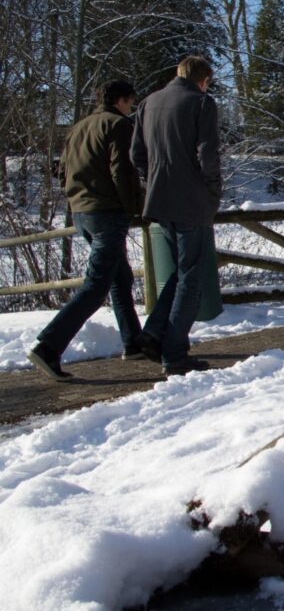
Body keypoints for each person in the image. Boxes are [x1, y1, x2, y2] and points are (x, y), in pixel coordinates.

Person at [27, 80, 144, 381]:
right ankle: (48, 346)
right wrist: (134, 206)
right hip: (107, 213)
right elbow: (122, 170)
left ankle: (134, 342)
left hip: (80, 212)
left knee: (120, 278)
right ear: (121, 99)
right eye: (131, 100)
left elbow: (61, 169)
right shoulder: (118, 125)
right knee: (96, 286)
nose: (132, 106)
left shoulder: (78, 127)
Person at [131, 56, 222, 376]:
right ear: (203, 79)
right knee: (191, 279)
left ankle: (154, 333)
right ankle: (175, 353)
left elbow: (136, 155)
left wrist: (154, 179)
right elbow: (208, 153)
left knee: (180, 274)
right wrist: (212, 192)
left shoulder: (147, 104)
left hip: (159, 200)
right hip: (192, 201)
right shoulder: (201, 103)